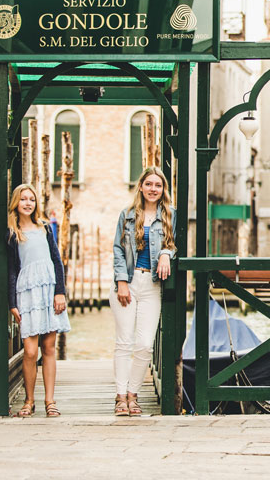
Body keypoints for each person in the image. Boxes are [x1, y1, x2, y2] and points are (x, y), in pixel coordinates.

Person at [112, 167, 176, 416]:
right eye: (148, 184)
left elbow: (173, 244)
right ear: (140, 187)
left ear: (162, 190)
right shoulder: (127, 214)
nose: (153, 189)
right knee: (124, 342)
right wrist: (121, 282)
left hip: (152, 285)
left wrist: (164, 253)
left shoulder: (170, 215)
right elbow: (118, 249)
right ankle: (120, 397)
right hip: (127, 282)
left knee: (144, 344)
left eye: (157, 185)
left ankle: (133, 394)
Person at [7, 184, 70, 417]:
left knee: (48, 347)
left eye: (31, 199)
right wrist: (12, 302)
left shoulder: (44, 227)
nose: (27, 203)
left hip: (49, 290)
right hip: (27, 292)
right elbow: (12, 269)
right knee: (31, 351)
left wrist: (60, 292)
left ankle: (50, 401)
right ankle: (29, 400)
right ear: (16, 202)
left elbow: (56, 261)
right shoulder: (12, 232)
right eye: (23, 199)